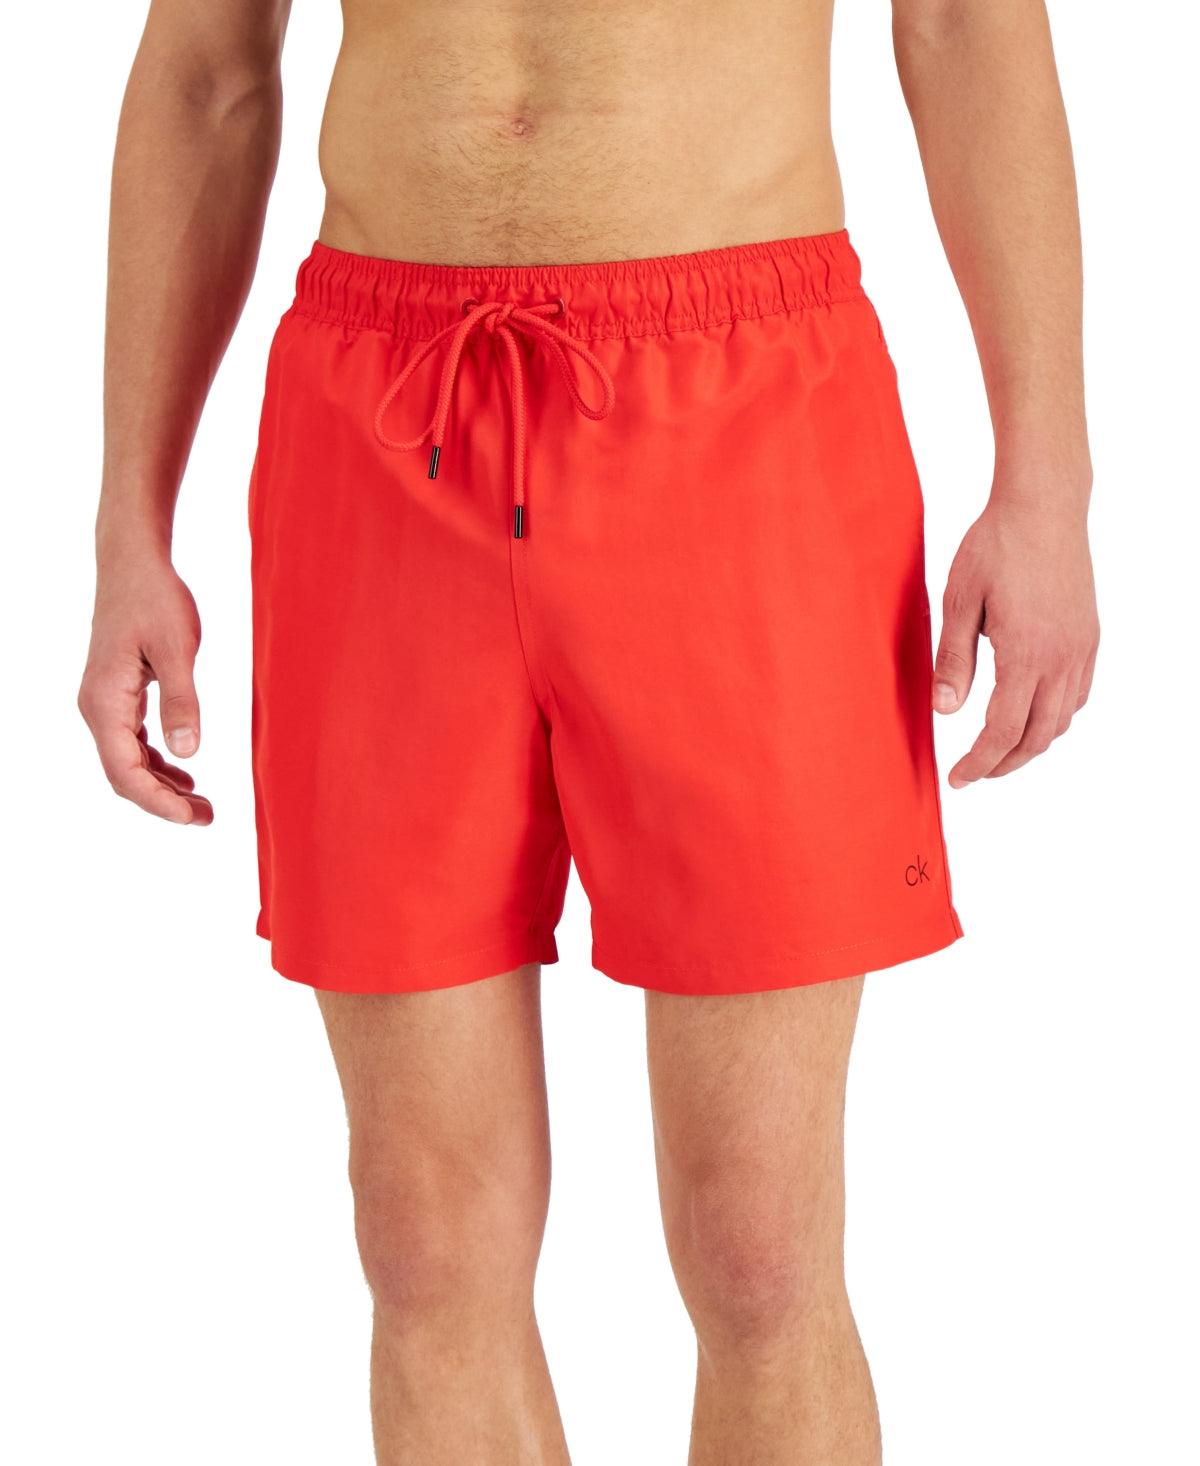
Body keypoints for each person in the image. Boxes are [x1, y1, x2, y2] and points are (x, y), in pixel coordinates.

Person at [77, 0, 1100, 1460]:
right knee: (422, 1237)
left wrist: (1046, 485)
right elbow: (207, 76)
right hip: (382, 419)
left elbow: (960, 26)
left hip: (742, 403)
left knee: (758, 1240)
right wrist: (129, 525)